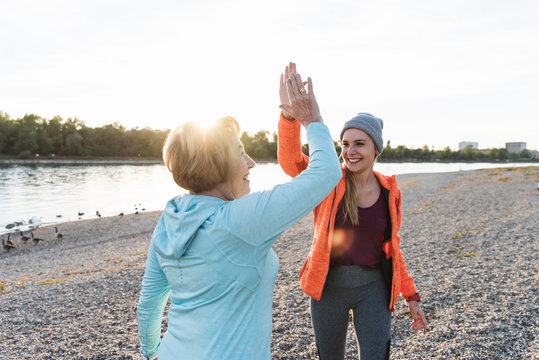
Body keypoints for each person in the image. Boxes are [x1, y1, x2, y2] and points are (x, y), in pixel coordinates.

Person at [136, 63, 342, 360]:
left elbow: (149, 305)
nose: (250, 162)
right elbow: (325, 173)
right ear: (217, 164)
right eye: (240, 152)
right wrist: (312, 119)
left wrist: (150, 354)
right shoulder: (240, 221)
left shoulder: (170, 218)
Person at [278, 64, 428, 360]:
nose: (350, 151)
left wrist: (410, 295)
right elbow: (291, 163)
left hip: (373, 289)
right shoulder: (329, 178)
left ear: (376, 149)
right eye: (345, 144)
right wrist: (289, 118)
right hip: (328, 287)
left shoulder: (389, 190)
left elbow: (392, 247)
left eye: (360, 143)